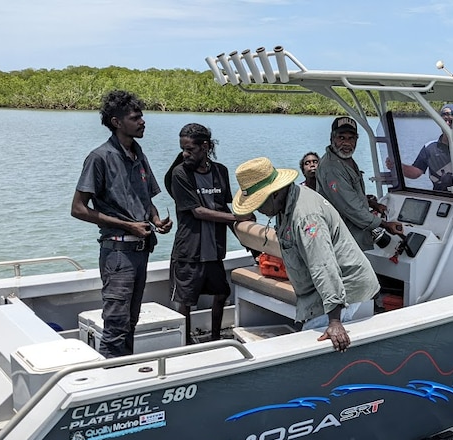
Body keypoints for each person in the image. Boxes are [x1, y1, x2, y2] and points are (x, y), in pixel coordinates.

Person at [232, 157, 380, 352]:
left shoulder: (306, 217)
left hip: (345, 290)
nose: (258, 209)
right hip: (316, 294)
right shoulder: (285, 204)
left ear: (275, 193)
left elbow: (323, 265)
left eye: (259, 203)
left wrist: (334, 321)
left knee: (308, 344)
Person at [71, 90, 172, 358]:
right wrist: (128, 226)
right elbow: (78, 209)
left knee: (130, 322)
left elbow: (145, 198)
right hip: (117, 253)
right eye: (136, 117)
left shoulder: (138, 154)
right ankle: (110, 382)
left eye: (142, 116)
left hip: (140, 252)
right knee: (115, 326)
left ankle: (125, 374)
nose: (143, 122)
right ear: (117, 122)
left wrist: (155, 220)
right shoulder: (100, 157)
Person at [164, 123, 254, 343]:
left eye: (190, 150)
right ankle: (184, 343)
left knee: (222, 293)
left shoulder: (220, 171)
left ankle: (215, 338)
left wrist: (248, 238)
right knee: (185, 301)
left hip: (214, 250)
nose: (184, 154)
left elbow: (224, 207)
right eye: (183, 149)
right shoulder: (180, 173)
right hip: (189, 250)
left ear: (205, 147)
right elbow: (198, 211)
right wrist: (236, 218)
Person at [315, 116, 403, 251]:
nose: (346, 143)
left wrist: (372, 203)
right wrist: (385, 225)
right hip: (341, 241)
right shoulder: (331, 168)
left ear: (356, 140)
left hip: (353, 236)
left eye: (351, 138)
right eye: (341, 138)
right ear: (332, 138)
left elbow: (352, 194)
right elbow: (350, 207)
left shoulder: (345, 159)